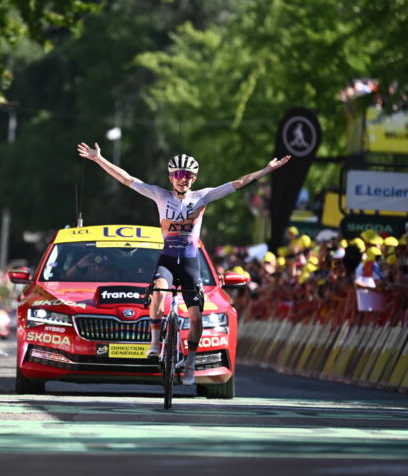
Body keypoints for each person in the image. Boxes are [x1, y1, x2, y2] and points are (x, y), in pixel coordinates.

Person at [77, 141, 290, 385]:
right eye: (178, 175)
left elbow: (238, 183)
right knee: (158, 288)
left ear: (194, 178)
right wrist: (99, 159)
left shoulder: (204, 196)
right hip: (168, 259)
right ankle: (155, 342)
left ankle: (190, 361)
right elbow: (127, 179)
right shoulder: (160, 195)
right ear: (170, 178)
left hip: (190, 262)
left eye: (188, 175)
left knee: (196, 316)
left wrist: (266, 170)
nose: (183, 179)